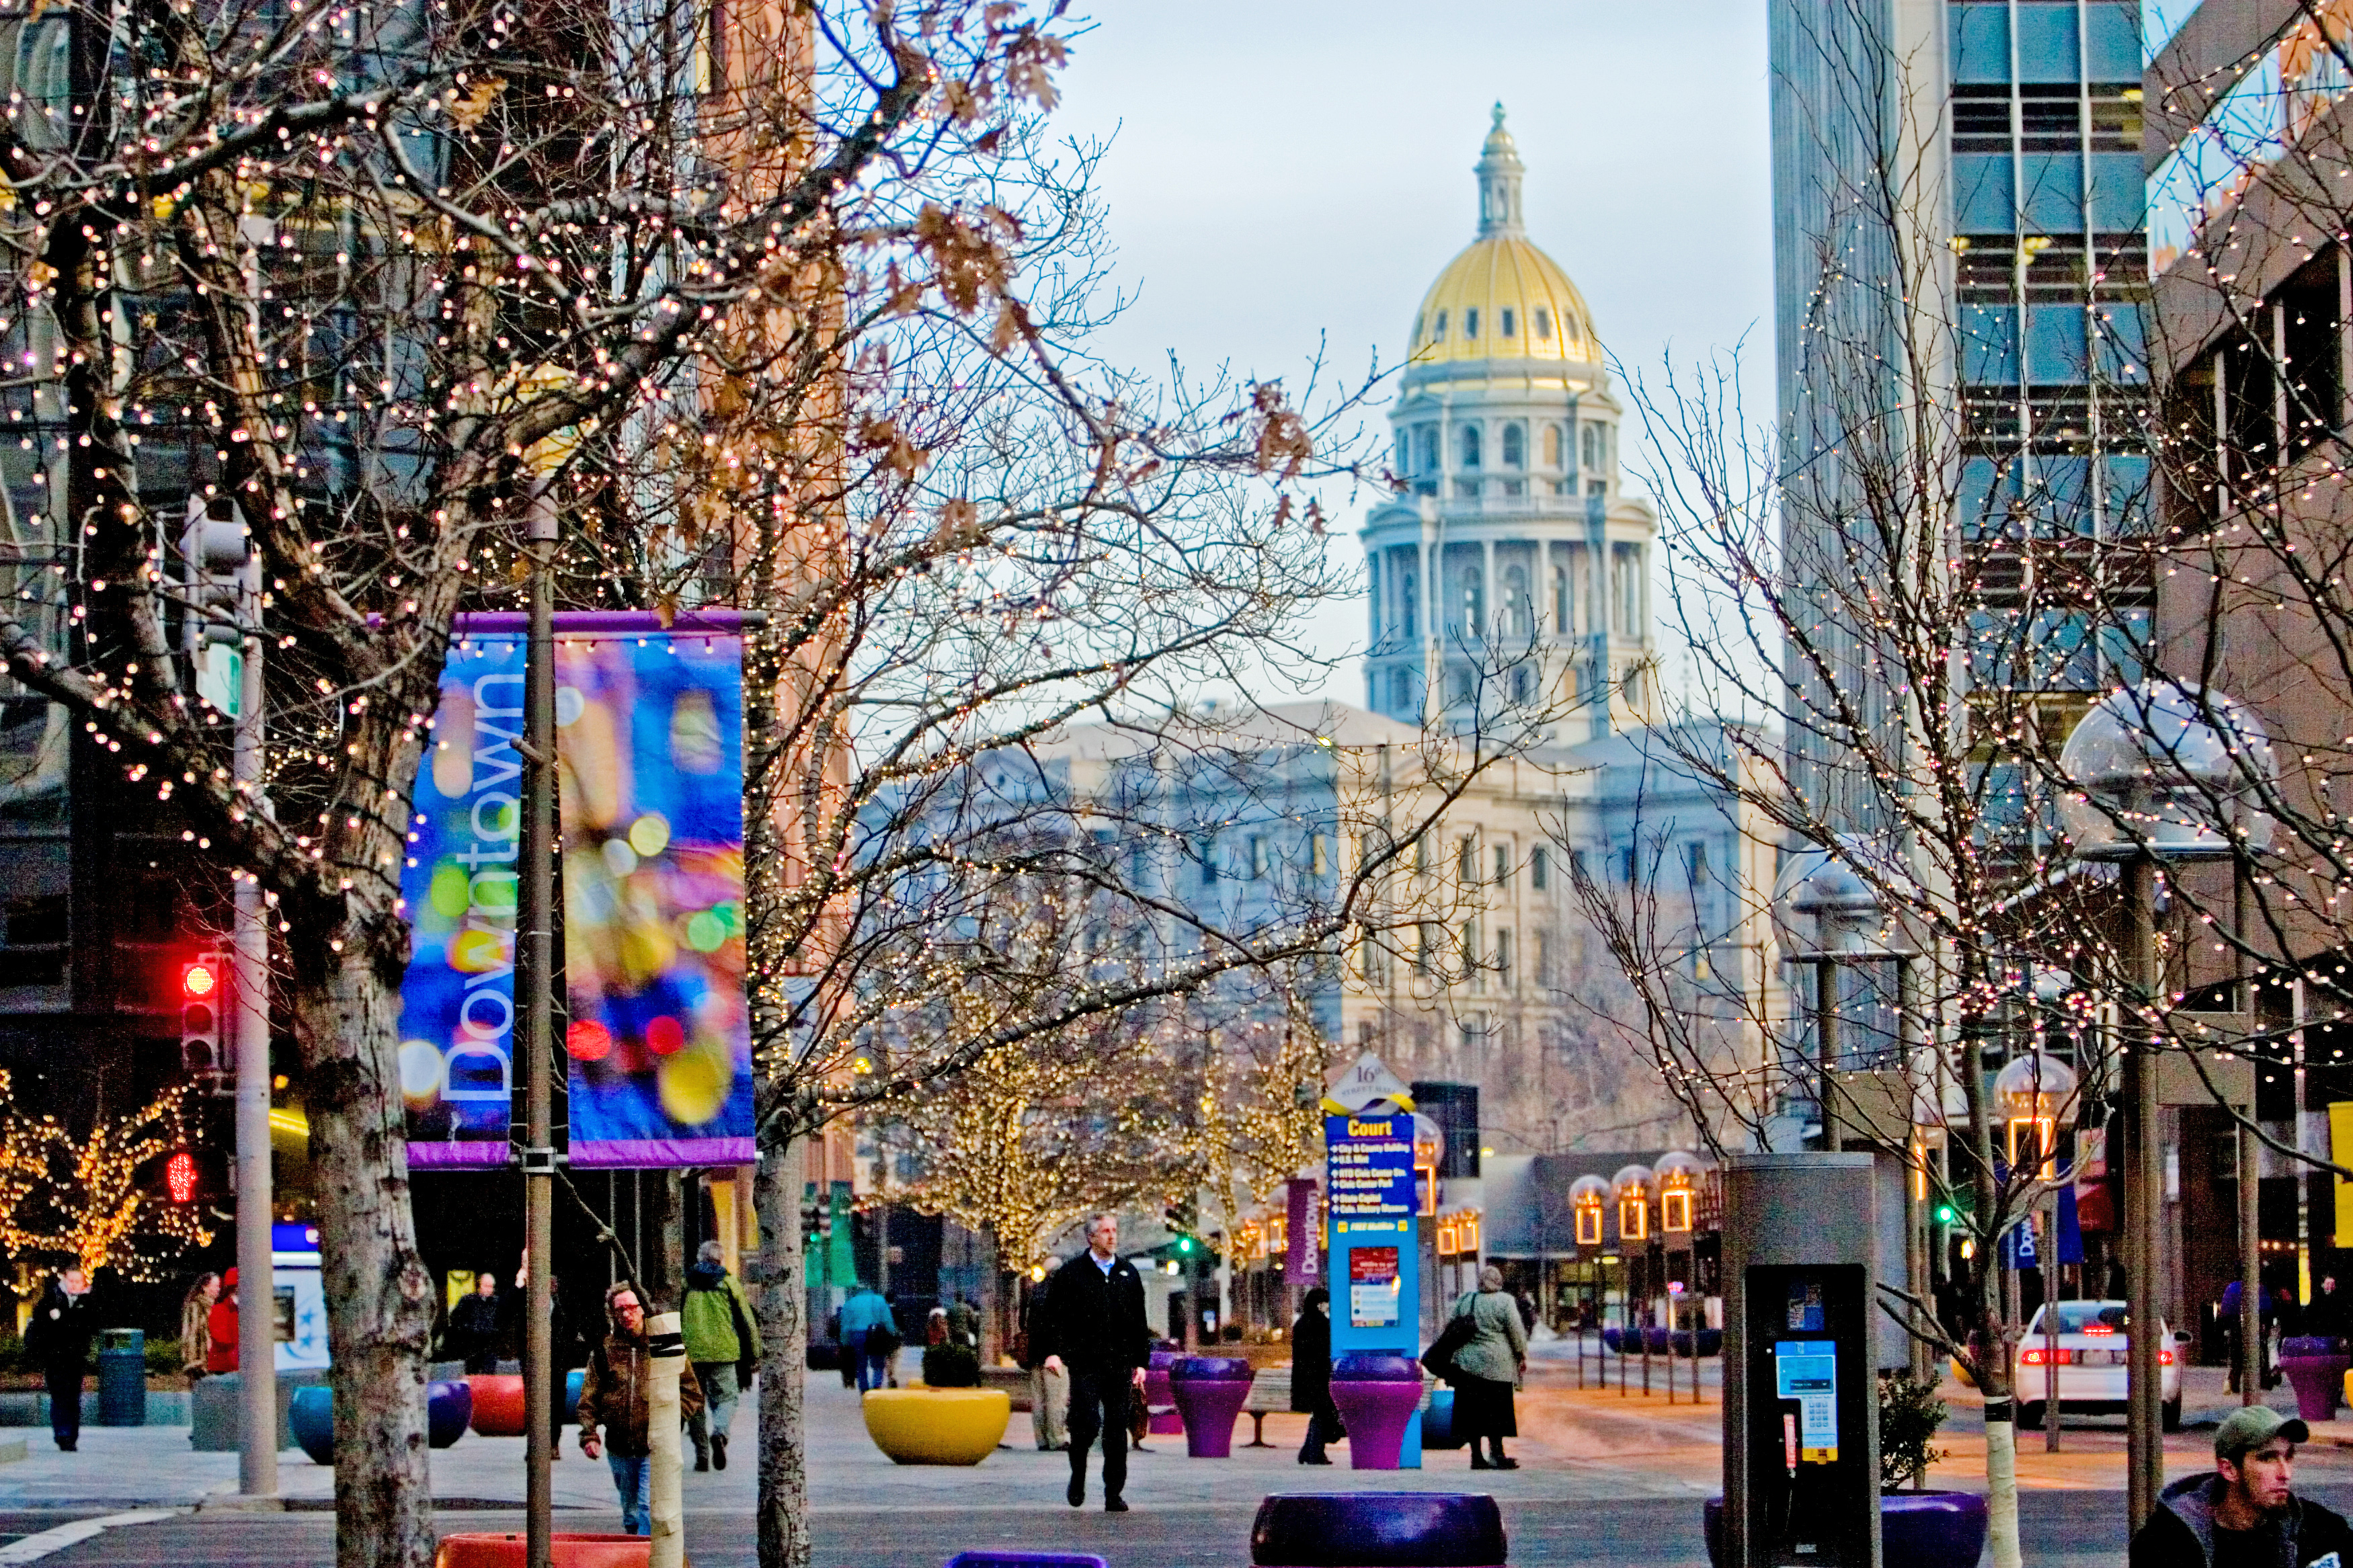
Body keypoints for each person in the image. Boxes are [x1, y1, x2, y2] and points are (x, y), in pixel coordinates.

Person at [2128, 1405, 2353, 1567]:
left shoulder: (2320, 1531)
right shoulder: (2168, 1543)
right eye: (2267, 1459)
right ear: (2229, 1469)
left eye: (2288, 1457)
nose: (2285, 1473)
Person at [1033, 1212, 1152, 1513]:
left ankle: (1114, 1492)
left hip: (1120, 1364)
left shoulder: (1128, 1273)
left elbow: (1139, 1320)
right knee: (1086, 1423)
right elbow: (1052, 1318)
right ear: (1091, 1237)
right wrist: (1053, 1352)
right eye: (1105, 1231)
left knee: (1116, 1429)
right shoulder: (1072, 1273)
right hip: (1086, 1362)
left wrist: (1141, 1362)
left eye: (1114, 1230)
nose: (1112, 1236)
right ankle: (1078, 1475)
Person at [576, 1284, 703, 1536]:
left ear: (643, 1309)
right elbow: (588, 1397)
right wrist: (589, 1434)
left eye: (632, 1307)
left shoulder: (664, 1345)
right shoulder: (605, 1351)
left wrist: (672, 1419)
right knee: (631, 1513)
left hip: (653, 1445)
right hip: (619, 1446)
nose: (626, 1314)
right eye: (619, 1309)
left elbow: (692, 1391)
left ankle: (644, 1556)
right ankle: (633, 1551)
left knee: (647, 1507)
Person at [681, 1240, 762, 1473]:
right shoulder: (728, 1282)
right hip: (724, 1352)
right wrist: (755, 1352)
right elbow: (747, 1319)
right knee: (727, 1399)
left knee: (695, 1403)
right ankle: (720, 1432)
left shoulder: (687, 1282)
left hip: (693, 1353)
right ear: (721, 1259)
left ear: (699, 1258)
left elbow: (677, 1314)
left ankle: (702, 1456)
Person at [1447, 1264, 1529, 1471]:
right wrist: (1521, 1354)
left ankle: (1476, 1457)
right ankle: (1497, 1454)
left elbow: (1450, 1327)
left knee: (1472, 1413)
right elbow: (1516, 1331)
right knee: (1497, 1412)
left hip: (1468, 1365)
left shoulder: (1466, 1300)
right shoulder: (1505, 1301)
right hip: (1497, 1366)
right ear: (1499, 1282)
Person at [26, 1268, 94, 1452]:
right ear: (65, 1280)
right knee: (60, 1397)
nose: (74, 1285)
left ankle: (71, 1435)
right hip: (55, 1359)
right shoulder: (51, 1298)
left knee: (73, 1399)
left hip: (76, 1360)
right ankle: (62, 1434)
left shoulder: (88, 1302)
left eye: (78, 1282)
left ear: (83, 1283)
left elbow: (90, 1328)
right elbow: (38, 1325)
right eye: (71, 1281)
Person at [1019, 1261, 1068, 1450]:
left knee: (1038, 1401)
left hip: (1035, 1354)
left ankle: (1042, 1440)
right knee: (1056, 1399)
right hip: (1054, 1356)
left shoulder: (1033, 1292)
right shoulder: (1062, 1294)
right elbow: (1061, 1327)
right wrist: (1059, 1353)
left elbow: (1024, 1323)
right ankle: (1057, 1438)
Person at [1290, 1286, 1339, 1466]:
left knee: (1319, 1414)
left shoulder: (1301, 1323)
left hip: (1304, 1379)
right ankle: (1314, 1454)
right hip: (1320, 1378)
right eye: (1326, 1303)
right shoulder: (1322, 1325)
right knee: (1322, 1415)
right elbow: (1326, 1352)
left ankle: (1308, 1451)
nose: (1328, 1306)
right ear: (1320, 1304)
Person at [838, 1281, 897, 1394]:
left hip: (857, 1334)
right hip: (876, 1335)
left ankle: (864, 1391)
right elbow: (887, 1319)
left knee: (861, 1365)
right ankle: (876, 1388)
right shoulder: (879, 1300)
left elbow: (845, 1325)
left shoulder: (850, 1303)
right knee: (878, 1364)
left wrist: (844, 1342)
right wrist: (892, 1333)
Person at [447, 1272, 504, 1374]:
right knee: (472, 1374)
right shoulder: (468, 1300)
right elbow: (455, 1318)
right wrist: (468, 1330)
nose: (489, 1289)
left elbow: (501, 1321)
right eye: (486, 1286)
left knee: (489, 1375)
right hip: (472, 1346)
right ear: (479, 1286)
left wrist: (495, 1331)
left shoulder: (497, 1302)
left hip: (489, 1346)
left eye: (491, 1287)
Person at [179, 1272, 221, 1389]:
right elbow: (190, 1335)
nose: (218, 1289)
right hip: (200, 1366)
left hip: (212, 1364)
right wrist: (194, 1362)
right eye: (215, 1286)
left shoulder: (213, 1307)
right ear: (204, 1287)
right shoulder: (196, 1307)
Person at [205, 1268, 242, 1374]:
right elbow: (221, 1338)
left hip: (236, 1365)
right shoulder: (219, 1310)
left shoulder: (244, 1310)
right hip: (224, 1367)